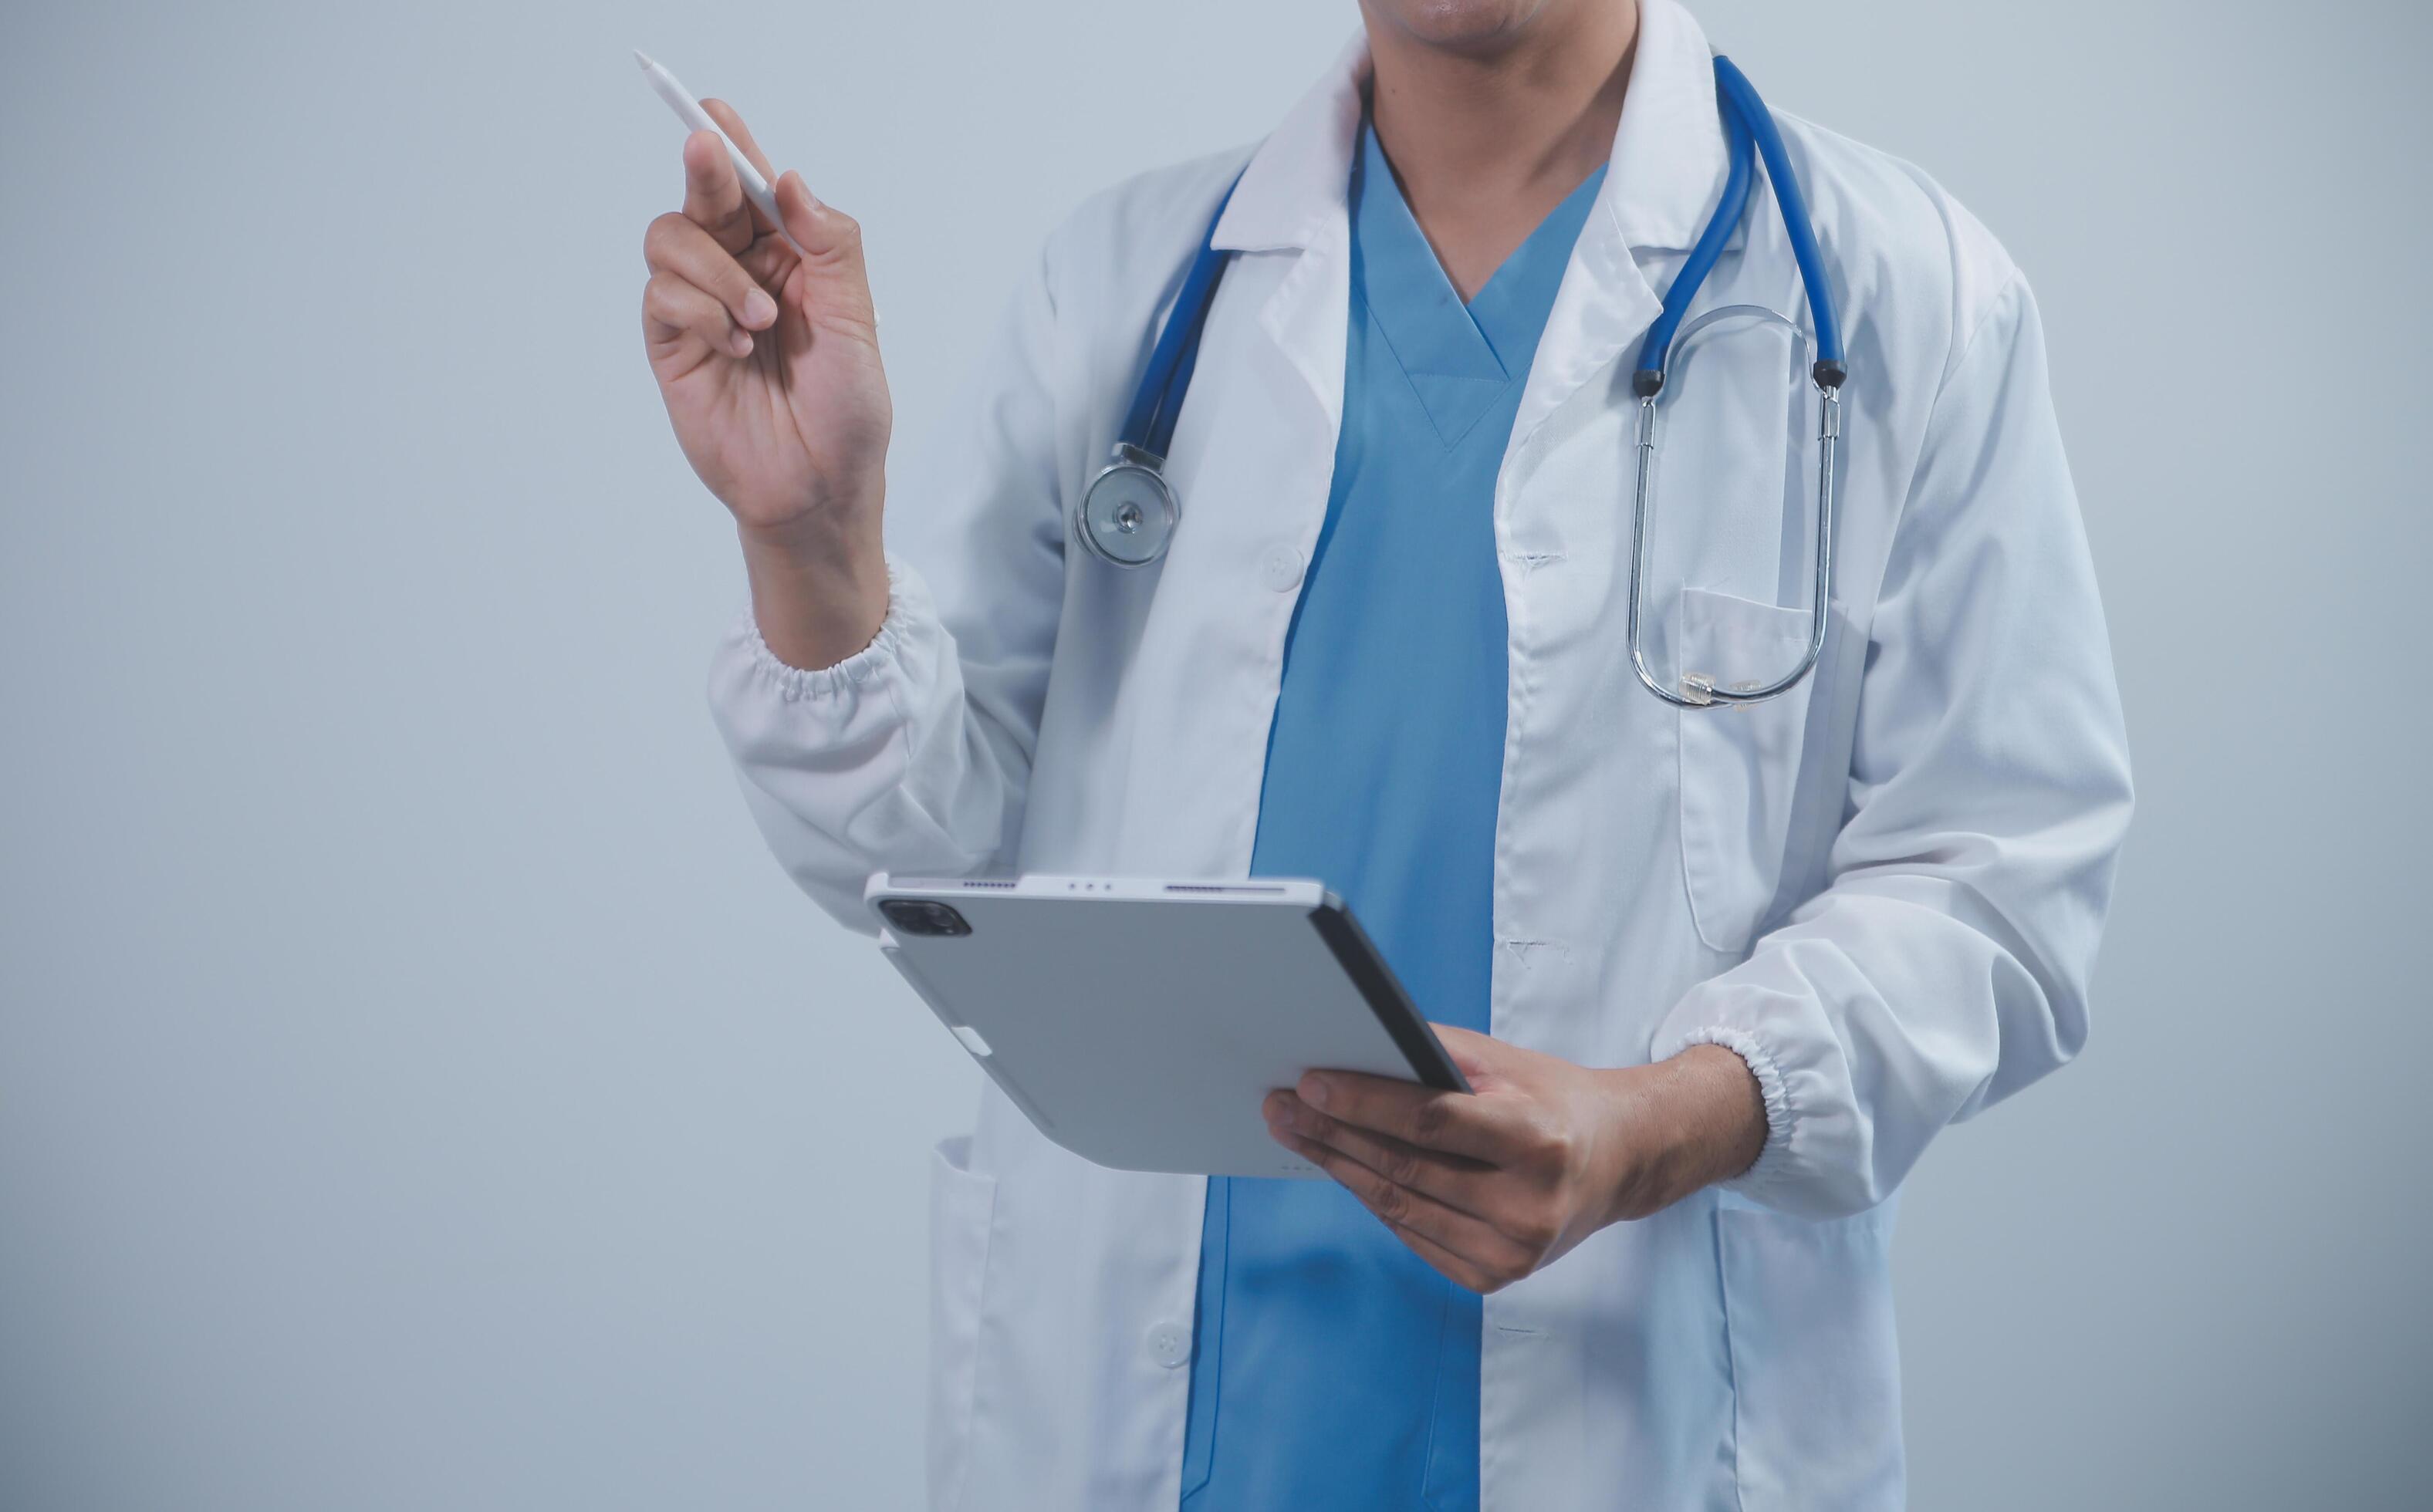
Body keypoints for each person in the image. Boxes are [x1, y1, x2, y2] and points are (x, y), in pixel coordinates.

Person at [638, 0, 2133, 1504]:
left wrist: (1660, 1120)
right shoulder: (1121, 288)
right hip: (1161, 1420)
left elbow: (1995, 883)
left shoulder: (1906, 298)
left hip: (1633, 1406)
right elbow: (913, 854)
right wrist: (811, 539)